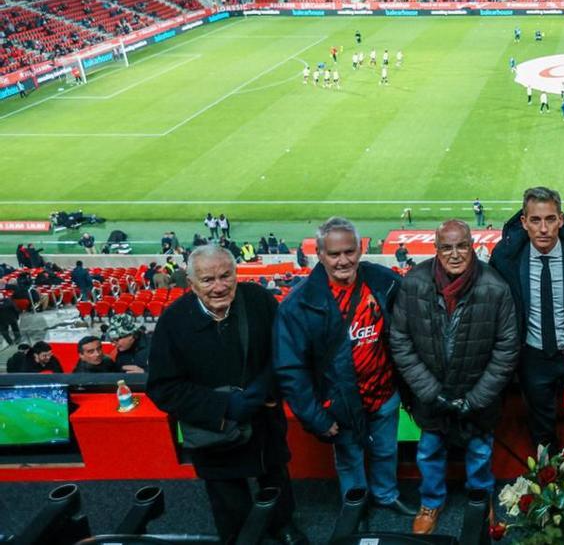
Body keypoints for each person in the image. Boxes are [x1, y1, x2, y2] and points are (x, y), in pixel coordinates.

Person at [146, 245, 304, 545]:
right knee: (228, 498)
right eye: (208, 280)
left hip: (263, 421)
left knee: (275, 477)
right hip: (214, 430)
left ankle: (283, 525)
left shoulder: (258, 299)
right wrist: (224, 406)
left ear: (236, 273)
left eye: (225, 276)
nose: (219, 286)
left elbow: (286, 351)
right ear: (191, 284)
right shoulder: (173, 321)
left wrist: (264, 389)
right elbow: (163, 388)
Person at [275, 218, 416, 516]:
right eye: (334, 254)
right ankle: (355, 505)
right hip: (339, 404)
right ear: (320, 253)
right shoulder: (298, 304)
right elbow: (290, 370)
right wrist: (317, 417)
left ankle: (386, 495)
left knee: (386, 451)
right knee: (349, 457)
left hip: (384, 394)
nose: (343, 261)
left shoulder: (384, 281)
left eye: (349, 251)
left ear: (361, 249)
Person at [389, 220, 519, 534]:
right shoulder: (414, 283)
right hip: (431, 396)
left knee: (479, 452)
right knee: (429, 451)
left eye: (461, 245)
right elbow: (400, 341)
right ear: (435, 249)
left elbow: (507, 348)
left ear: (472, 246)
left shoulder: (495, 286)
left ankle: (480, 499)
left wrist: (475, 398)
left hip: (477, 397)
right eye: (446, 247)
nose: (455, 254)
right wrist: (431, 392)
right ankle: (431, 502)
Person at [489, 187, 564, 450]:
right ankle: (549, 479)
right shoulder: (505, 258)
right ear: (523, 222)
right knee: (541, 428)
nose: (543, 229)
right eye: (535, 220)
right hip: (532, 357)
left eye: (550, 219)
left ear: (561, 220)